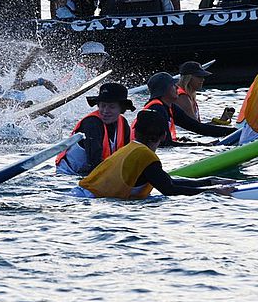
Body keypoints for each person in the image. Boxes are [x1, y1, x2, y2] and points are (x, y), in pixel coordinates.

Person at [74, 110, 235, 199]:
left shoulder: (131, 148)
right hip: (88, 200)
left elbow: (167, 181)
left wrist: (210, 182)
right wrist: (211, 192)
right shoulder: (146, 156)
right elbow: (169, 190)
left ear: (135, 133)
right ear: (163, 136)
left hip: (79, 195)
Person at [55, 82, 134, 177]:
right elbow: (94, 161)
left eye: (111, 107)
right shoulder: (92, 124)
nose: (105, 111)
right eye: (103, 105)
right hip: (68, 176)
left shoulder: (123, 124)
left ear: (121, 109)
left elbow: (126, 157)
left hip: (94, 172)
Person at [174, 61, 236, 136]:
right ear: (188, 78)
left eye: (203, 77)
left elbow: (198, 126)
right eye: (199, 76)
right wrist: (232, 132)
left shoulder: (190, 96)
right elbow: (196, 128)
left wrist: (221, 120)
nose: (203, 79)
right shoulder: (182, 97)